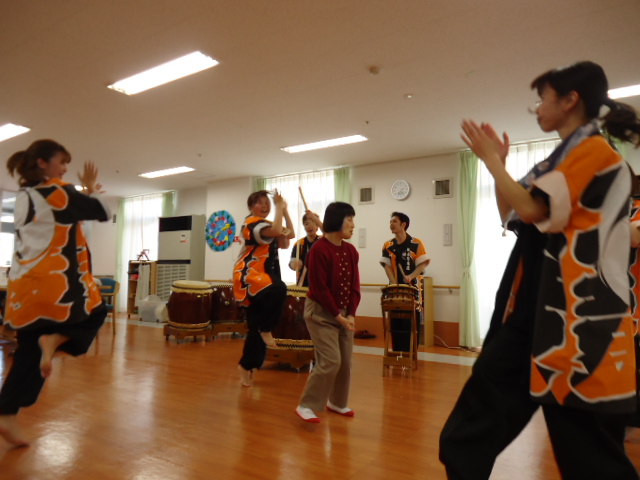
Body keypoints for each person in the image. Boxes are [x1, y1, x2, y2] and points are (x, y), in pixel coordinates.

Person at [439, 61, 640, 480]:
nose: (536, 109)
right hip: (534, 318)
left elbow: (532, 208)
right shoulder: (561, 159)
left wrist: (493, 162)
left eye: (542, 99)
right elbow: (515, 214)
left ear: (570, 101)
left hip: (574, 323)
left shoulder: (596, 154)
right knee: (468, 434)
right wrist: (498, 166)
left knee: (588, 455)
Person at [0, 139, 110, 448]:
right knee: (97, 311)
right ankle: (55, 340)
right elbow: (102, 211)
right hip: (55, 285)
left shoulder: (24, 196)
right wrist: (90, 189)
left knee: (29, 353)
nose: (64, 170)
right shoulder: (57, 191)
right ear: (42, 163)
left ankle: (6, 414)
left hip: (23, 289)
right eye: (61, 162)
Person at [295, 202, 360, 423]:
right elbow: (320, 289)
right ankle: (306, 405)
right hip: (320, 313)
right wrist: (338, 316)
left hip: (343, 313)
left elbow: (354, 286)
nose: (353, 225)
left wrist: (350, 314)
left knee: (345, 361)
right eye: (349, 219)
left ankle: (337, 402)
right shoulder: (318, 250)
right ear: (337, 221)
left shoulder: (351, 251)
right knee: (331, 360)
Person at [233, 189, 295, 387]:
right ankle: (266, 329)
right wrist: (279, 208)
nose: (266, 205)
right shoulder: (251, 223)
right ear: (251, 207)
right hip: (251, 275)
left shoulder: (268, 224)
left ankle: (247, 366)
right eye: (260, 202)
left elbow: (289, 235)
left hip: (264, 277)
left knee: (256, 326)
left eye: (267, 202)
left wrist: (284, 210)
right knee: (279, 289)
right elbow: (277, 231)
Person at [379, 212, 429, 350]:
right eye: (390, 222)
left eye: (394, 221)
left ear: (403, 224)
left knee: (411, 325)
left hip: (413, 291)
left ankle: (411, 355)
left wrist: (411, 276)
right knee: (396, 323)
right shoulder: (388, 245)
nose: (391, 224)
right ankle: (397, 354)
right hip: (395, 292)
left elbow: (422, 265)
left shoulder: (416, 243)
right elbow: (387, 267)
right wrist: (395, 284)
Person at [289, 211, 323, 287]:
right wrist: (293, 264)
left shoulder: (323, 241)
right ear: (304, 226)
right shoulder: (299, 244)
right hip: (303, 284)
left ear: (318, 226)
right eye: (306, 224)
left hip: (320, 283)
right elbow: (292, 263)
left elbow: (329, 234)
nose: (310, 226)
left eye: (313, 223)